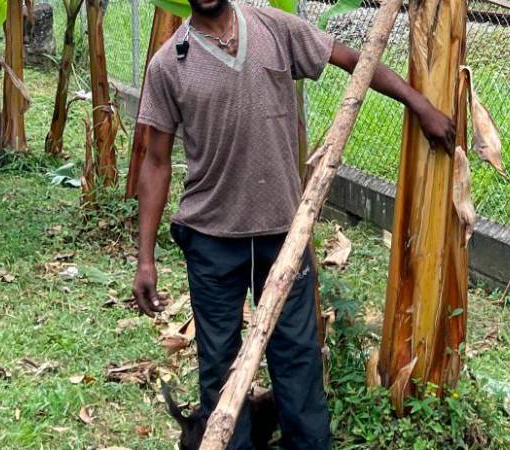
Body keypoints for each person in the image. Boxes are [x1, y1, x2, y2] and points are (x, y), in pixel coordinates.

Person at [129, 0, 455, 447]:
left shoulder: (273, 27)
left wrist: (419, 105)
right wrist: (145, 259)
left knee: (298, 357)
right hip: (210, 239)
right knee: (220, 367)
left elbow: (355, 64)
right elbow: (156, 161)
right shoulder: (170, 64)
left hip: (284, 234)